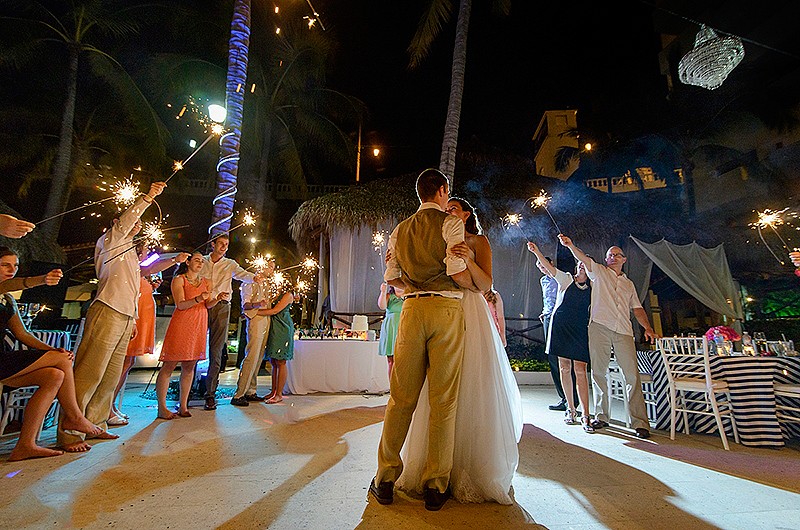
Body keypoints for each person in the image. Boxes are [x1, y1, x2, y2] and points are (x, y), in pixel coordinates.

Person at [397, 196, 523, 505]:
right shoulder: (440, 237)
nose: (447, 213)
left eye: (453, 209)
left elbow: (484, 284)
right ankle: (435, 468)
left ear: (466, 214)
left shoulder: (479, 241)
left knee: (471, 383)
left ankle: (468, 466)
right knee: (438, 389)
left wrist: (467, 258)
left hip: (471, 312)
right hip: (443, 309)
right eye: (445, 208)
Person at [368, 169, 474, 512]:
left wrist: (414, 284)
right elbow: (457, 271)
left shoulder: (400, 230)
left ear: (419, 194)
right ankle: (435, 486)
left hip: (411, 310)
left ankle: (385, 478)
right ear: (442, 191)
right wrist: (472, 284)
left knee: (400, 399)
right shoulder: (450, 224)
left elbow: (392, 279)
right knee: (444, 400)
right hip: (446, 309)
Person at [57, 181, 166, 453]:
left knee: (109, 374)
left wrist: (134, 319)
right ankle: (69, 431)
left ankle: (96, 423)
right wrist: (149, 197)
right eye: (132, 221)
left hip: (125, 315)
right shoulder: (112, 240)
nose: (138, 225)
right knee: (90, 371)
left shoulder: (129, 251)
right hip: (106, 310)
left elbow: (132, 288)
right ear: (118, 223)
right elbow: (127, 221)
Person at [0, 247, 102, 460]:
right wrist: (40, 280)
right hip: (2, 362)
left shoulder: (7, 300)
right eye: (5, 265)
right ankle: (74, 416)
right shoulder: (6, 290)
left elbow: (23, 334)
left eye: (15, 266)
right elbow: (12, 284)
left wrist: (51, 349)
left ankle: (26, 444)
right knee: (62, 360)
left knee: (54, 375)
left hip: (4, 361)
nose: (12, 270)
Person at [559, 234, 659, 439]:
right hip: (599, 327)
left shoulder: (629, 284)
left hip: (623, 330)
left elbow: (638, 309)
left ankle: (640, 422)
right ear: (605, 260)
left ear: (624, 259)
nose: (612, 257)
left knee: (631, 375)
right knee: (599, 373)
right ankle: (602, 416)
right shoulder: (599, 273)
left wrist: (648, 328)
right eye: (609, 255)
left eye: (616, 255)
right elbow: (585, 260)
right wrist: (571, 245)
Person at [108, 246, 189, 425]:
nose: (148, 253)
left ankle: (111, 404)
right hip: (134, 320)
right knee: (121, 363)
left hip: (142, 319)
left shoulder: (139, 272)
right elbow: (149, 269)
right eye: (145, 250)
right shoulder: (132, 266)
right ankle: (106, 406)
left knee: (128, 363)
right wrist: (175, 260)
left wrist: (150, 287)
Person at [528, 242, 594, 433]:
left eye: (584, 263)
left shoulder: (594, 287)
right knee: (564, 368)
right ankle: (570, 410)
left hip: (580, 329)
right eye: (579, 263)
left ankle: (586, 415)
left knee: (580, 370)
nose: (581, 265)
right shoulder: (566, 279)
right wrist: (536, 252)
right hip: (560, 327)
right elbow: (549, 268)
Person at [156, 252, 227, 420]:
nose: (200, 263)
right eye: (196, 260)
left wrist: (217, 299)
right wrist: (197, 299)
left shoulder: (206, 282)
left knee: (190, 366)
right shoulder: (179, 280)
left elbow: (207, 304)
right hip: (182, 323)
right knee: (169, 365)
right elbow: (180, 304)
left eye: (202, 261)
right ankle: (162, 406)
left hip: (198, 324)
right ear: (188, 262)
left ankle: (183, 405)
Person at [199, 234, 257, 411]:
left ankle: (210, 394)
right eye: (221, 244)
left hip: (222, 307)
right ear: (213, 244)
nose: (224, 247)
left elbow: (243, 274)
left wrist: (256, 277)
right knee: (194, 348)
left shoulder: (230, 264)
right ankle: (188, 390)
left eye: (227, 244)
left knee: (216, 351)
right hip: (200, 305)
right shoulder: (202, 261)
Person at [230, 259, 276, 407]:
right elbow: (246, 305)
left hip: (266, 319)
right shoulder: (249, 281)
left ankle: (251, 390)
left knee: (259, 356)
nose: (272, 270)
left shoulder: (267, 284)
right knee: (252, 355)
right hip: (255, 318)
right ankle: (239, 394)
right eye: (270, 267)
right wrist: (258, 304)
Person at [537, 255, 569, 411]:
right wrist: (544, 312)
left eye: (543, 265)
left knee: (562, 357)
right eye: (539, 267)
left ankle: (571, 397)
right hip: (548, 317)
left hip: (560, 318)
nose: (542, 269)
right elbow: (547, 299)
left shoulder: (560, 277)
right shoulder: (543, 281)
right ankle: (563, 397)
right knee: (552, 357)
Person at [262, 283, 296, 404]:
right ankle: (274, 391)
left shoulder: (288, 295)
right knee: (274, 361)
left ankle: (279, 393)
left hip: (283, 327)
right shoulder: (278, 294)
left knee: (281, 361)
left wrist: (255, 312)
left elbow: (275, 310)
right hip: (275, 328)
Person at [377, 282, 404, 378]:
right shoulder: (389, 296)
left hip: (404, 328)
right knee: (391, 361)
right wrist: (383, 292)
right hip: (391, 329)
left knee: (402, 361)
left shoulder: (408, 298)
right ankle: (392, 388)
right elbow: (382, 306)